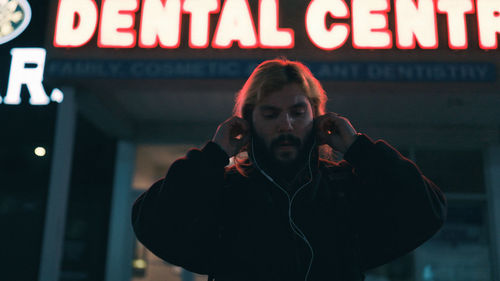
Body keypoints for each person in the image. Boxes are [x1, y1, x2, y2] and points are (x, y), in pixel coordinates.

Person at [131, 59, 447, 281]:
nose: (286, 124)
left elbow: (426, 211)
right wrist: (213, 156)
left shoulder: (342, 187)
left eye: (298, 112)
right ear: (248, 124)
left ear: (318, 120)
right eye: (270, 114)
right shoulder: (226, 191)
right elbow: (152, 224)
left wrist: (359, 149)